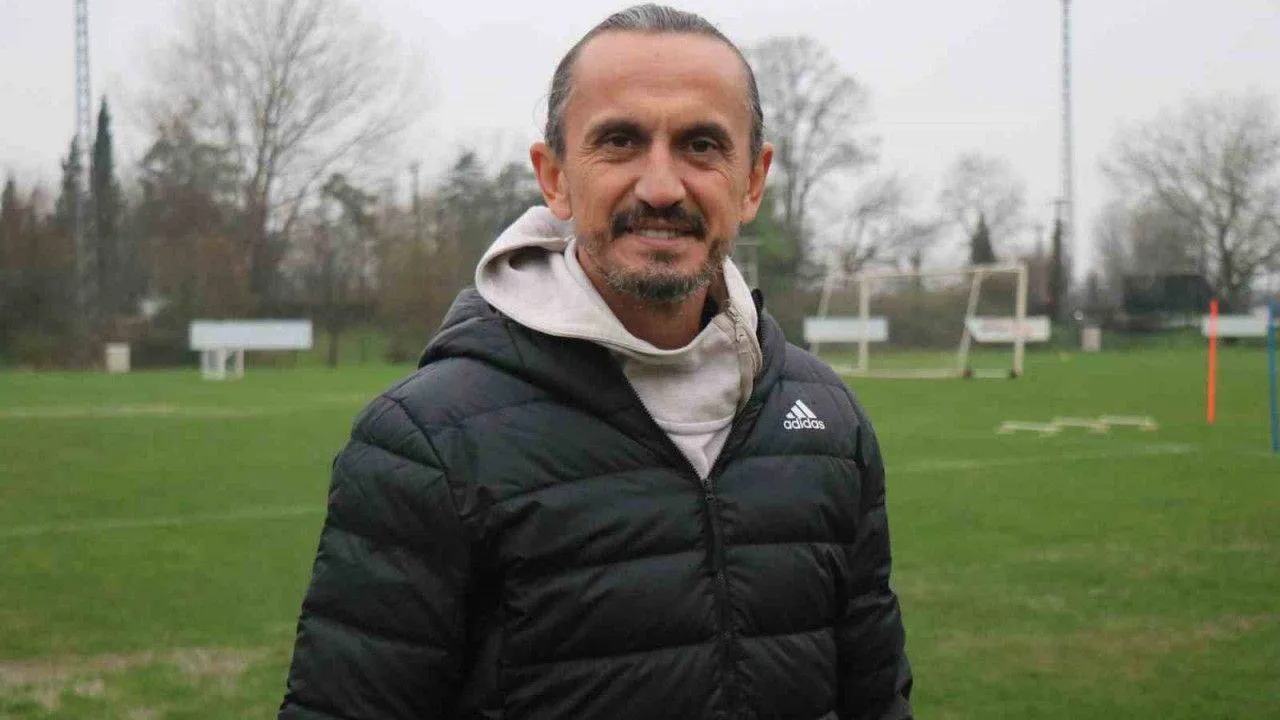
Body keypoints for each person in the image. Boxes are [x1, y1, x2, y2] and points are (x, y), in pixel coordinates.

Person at [279, 5, 912, 719]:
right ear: (554, 178)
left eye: (702, 145)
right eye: (620, 141)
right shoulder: (423, 444)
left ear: (753, 181)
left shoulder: (829, 423)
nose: (662, 187)